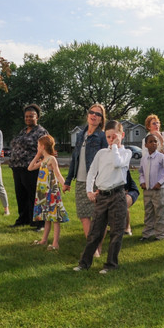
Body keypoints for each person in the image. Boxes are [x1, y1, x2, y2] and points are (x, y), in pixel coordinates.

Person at [73, 120, 133, 274]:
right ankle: (84, 263)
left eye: (114, 136)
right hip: (102, 196)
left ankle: (111, 264)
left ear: (122, 135)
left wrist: (115, 147)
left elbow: (117, 163)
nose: (111, 140)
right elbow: (92, 172)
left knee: (116, 232)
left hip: (118, 196)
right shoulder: (101, 154)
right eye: (108, 137)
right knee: (95, 232)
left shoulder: (126, 153)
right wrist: (89, 191)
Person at [65, 103, 108, 250]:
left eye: (98, 114)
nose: (94, 116)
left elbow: (105, 161)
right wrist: (68, 180)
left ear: (102, 119)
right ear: (88, 114)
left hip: (96, 182)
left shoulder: (102, 137)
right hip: (81, 181)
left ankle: (98, 246)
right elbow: (74, 158)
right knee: (84, 215)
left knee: (98, 217)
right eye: (92, 112)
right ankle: (93, 248)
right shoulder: (80, 135)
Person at [9, 104, 49, 228]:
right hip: (18, 167)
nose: (28, 118)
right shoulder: (22, 131)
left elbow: (46, 151)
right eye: (26, 116)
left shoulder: (41, 132)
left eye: (31, 116)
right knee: (21, 196)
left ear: (37, 117)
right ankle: (23, 219)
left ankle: (39, 222)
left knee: (34, 196)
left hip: (32, 168)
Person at [29, 135, 69, 250]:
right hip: (43, 193)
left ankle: (55, 243)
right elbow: (30, 168)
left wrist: (64, 185)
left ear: (42, 146)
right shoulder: (43, 160)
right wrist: (37, 156)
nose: (37, 148)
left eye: (38, 146)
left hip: (52, 192)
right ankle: (44, 240)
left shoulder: (52, 159)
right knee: (47, 217)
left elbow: (58, 174)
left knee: (55, 218)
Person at [139, 132, 164, 241]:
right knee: (148, 212)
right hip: (147, 190)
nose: (154, 143)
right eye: (151, 142)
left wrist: (160, 182)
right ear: (146, 145)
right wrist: (142, 182)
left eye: (155, 141)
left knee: (160, 212)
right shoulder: (144, 159)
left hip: (159, 190)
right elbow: (141, 172)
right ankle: (147, 233)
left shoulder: (161, 157)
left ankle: (160, 234)